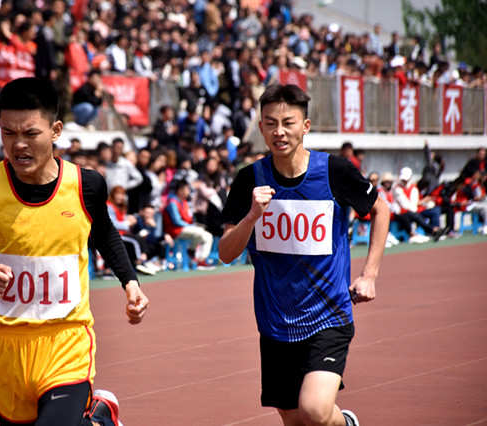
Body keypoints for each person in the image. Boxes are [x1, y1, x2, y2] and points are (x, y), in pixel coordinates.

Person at [0, 77, 148, 426]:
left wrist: (131, 282)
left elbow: (106, 234)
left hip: (67, 340)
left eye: (30, 133)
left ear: (55, 130)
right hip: (8, 347)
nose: (18, 145)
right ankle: (98, 420)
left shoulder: (86, 185)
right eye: (8, 133)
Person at [218, 84, 390, 426]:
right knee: (294, 417)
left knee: (314, 409)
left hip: (328, 316)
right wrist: (252, 215)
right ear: (261, 127)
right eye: (270, 123)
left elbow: (380, 210)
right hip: (275, 321)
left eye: (288, 122)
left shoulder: (334, 172)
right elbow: (225, 252)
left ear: (305, 127)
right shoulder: (249, 180)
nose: (279, 131)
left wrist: (369, 275)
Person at [163, 179, 215, 270]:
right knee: (204, 234)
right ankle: (200, 260)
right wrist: (192, 226)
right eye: (187, 189)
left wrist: (194, 225)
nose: (189, 192)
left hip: (184, 228)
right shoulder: (172, 202)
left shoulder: (184, 201)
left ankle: (192, 251)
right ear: (180, 190)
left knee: (206, 234)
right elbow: (176, 221)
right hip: (175, 230)